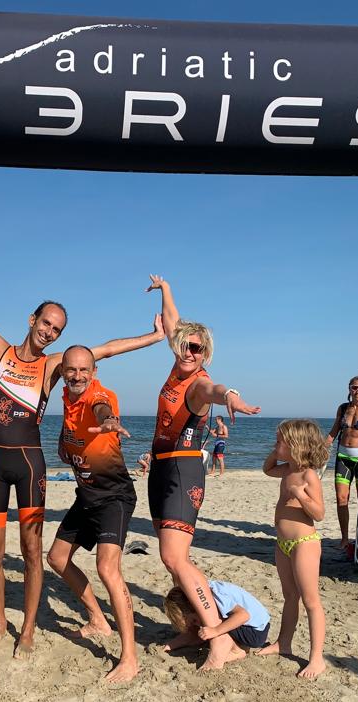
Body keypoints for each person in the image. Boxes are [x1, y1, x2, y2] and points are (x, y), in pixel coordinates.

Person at [0, 230, 164, 659]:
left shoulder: (53, 366)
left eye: (57, 329)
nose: (50, 332)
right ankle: (0, 624)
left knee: (32, 551)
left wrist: (152, 338)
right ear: (32, 320)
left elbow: (103, 351)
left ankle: (27, 630)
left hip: (30, 465)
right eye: (46, 323)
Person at [146, 274, 261, 670]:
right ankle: (195, 628)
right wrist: (165, 289)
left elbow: (215, 390)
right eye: (183, 345)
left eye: (196, 348)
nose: (188, 351)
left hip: (183, 470)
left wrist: (230, 395)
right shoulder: (177, 367)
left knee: (175, 557)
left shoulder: (198, 383)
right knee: (171, 561)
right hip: (160, 470)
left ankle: (220, 638)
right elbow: (172, 321)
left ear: (205, 354)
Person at [47, 345, 147, 683]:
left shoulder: (100, 396)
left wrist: (109, 422)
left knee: (107, 568)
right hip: (87, 496)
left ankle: (129, 658)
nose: (77, 376)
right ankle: (98, 619)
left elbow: (102, 408)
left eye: (84, 370)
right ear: (63, 371)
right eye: (71, 370)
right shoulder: (66, 397)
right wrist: (64, 443)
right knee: (57, 558)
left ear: (94, 372)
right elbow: (71, 433)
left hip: (114, 497)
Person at [260, 419, 329, 679]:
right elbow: (267, 469)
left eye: (279, 440)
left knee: (311, 601)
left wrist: (301, 495)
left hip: (304, 544)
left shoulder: (308, 475)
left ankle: (316, 658)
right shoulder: (287, 469)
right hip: (283, 544)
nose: (275, 443)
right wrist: (276, 452)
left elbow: (319, 514)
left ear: (296, 445)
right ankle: (283, 643)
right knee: (290, 596)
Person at [163, 580, 271, 657]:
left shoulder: (215, 597)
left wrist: (216, 630)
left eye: (194, 621)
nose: (197, 625)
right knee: (208, 624)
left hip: (256, 632)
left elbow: (243, 615)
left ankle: (238, 650)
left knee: (216, 620)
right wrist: (172, 645)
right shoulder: (203, 590)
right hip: (256, 624)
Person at [325, 375, 358, 554]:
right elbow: (334, 432)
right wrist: (322, 448)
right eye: (354, 387)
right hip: (343, 458)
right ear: (349, 388)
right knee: (342, 499)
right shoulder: (343, 408)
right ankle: (344, 538)